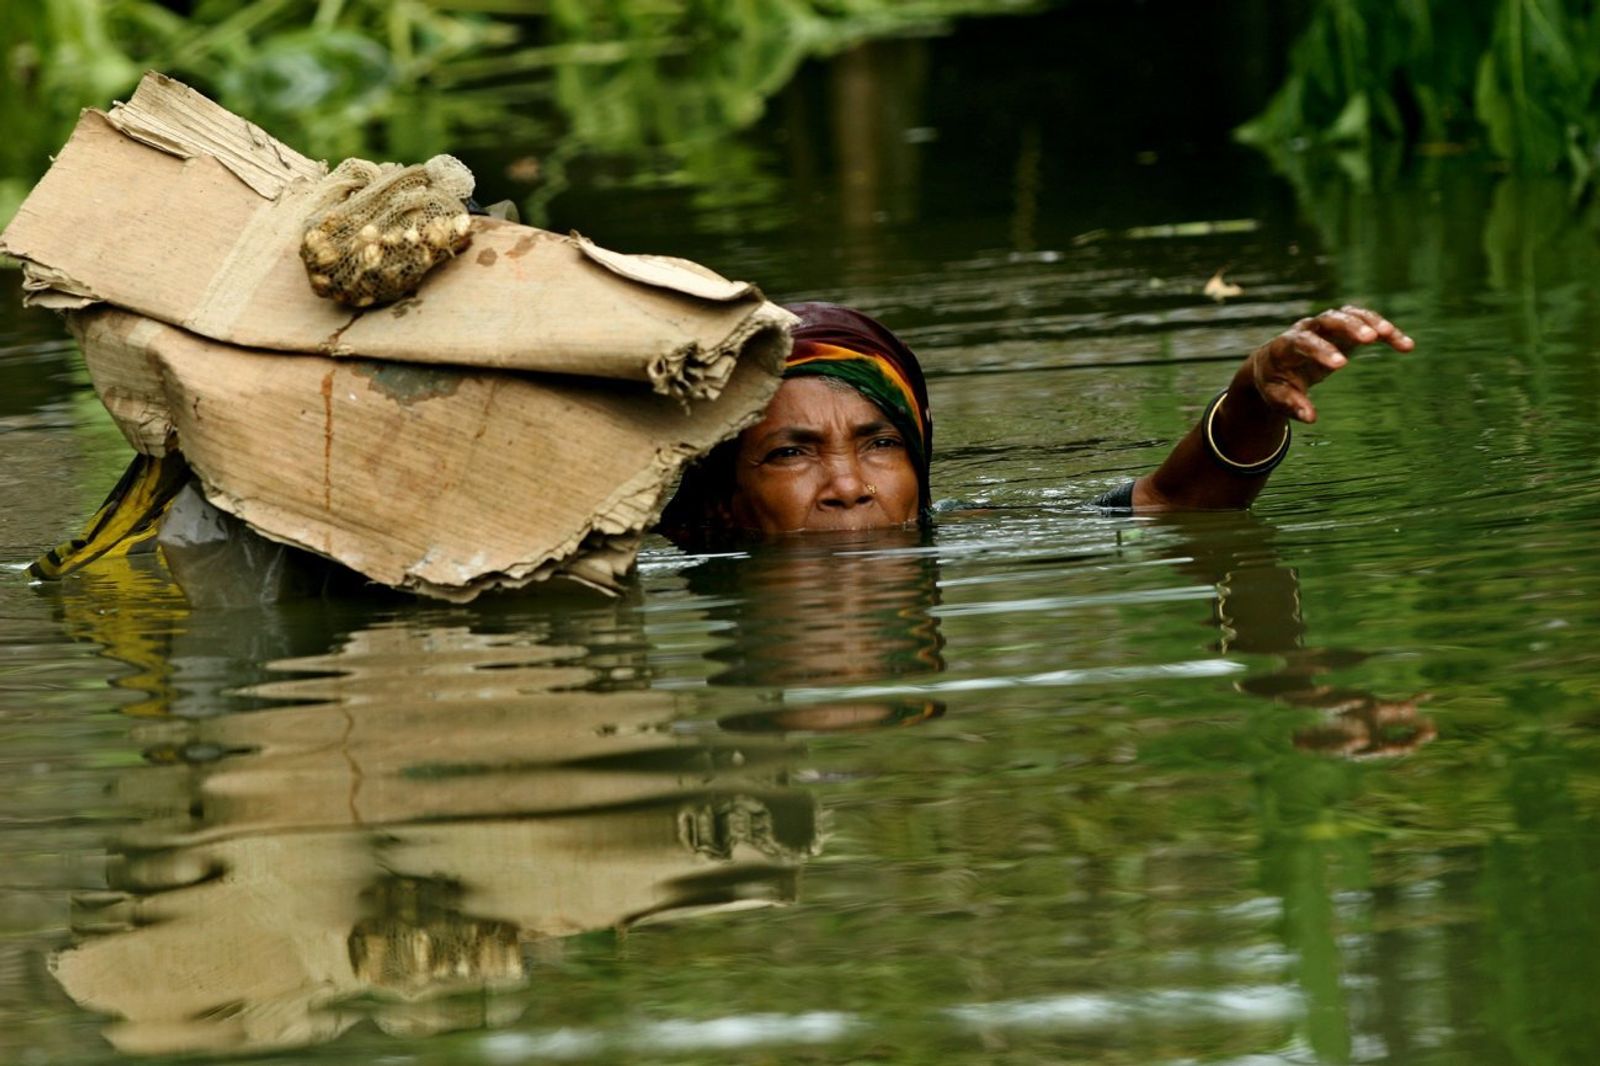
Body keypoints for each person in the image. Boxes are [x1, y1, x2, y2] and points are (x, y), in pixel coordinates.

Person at [659, 301, 1414, 540]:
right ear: (724, 500)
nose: (848, 486)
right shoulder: (663, 566)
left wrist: (1251, 397)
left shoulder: (962, 531)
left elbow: (1175, 505)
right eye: (792, 453)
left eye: (881, 442)